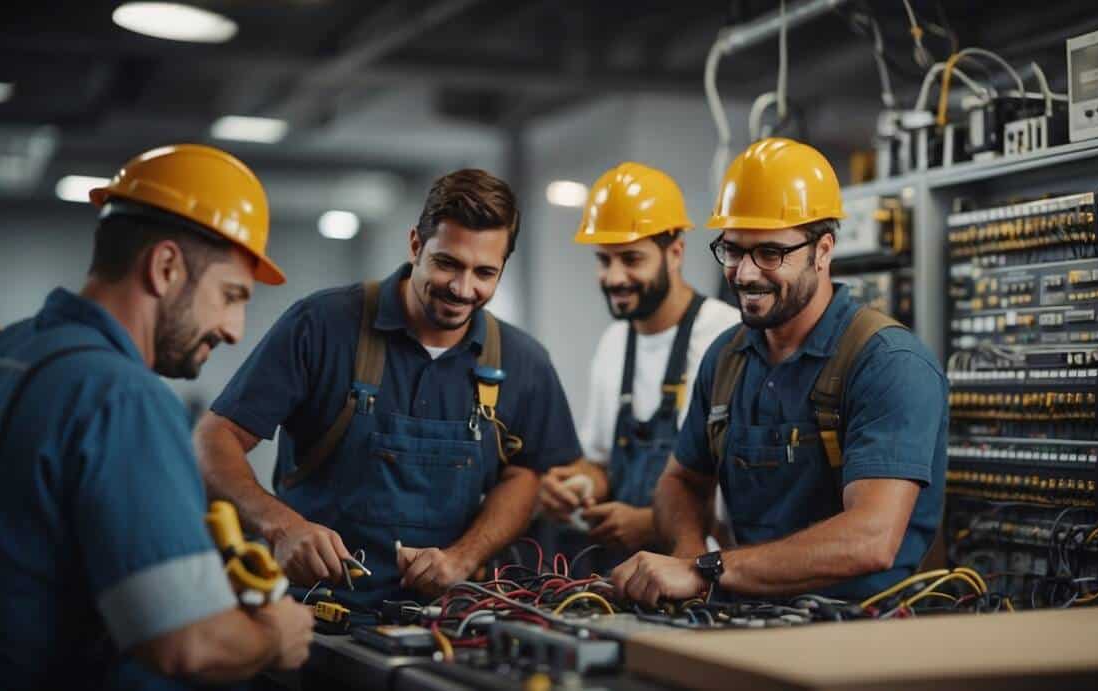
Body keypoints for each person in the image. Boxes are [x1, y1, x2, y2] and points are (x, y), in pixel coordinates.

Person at [0, 144, 314, 690]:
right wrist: (275, 636)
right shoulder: (122, 397)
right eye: (230, 295)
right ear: (166, 267)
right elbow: (187, 644)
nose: (234, 330)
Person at [195, 169, 582, 605]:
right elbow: (213, 438)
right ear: (416, 244)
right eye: (447, 263)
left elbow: (526, 473)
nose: (462, 288)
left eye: (484, 272)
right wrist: (281, 526)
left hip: (449, 622)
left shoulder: (522, 361)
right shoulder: (322, 326)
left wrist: (462, 557)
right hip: (314, 618)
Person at [610, 138, 948, 605]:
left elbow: (870, 539)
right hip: (747, 620)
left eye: (770, 253)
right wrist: (688, 554)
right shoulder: (726, 360)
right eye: (732, 250)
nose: (745, 273)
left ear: (823, 250)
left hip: (867, 637)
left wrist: (705, 570)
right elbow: (680, 480)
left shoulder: (888, 363)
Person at [537, 163, 739, 559]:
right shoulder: (614, 343)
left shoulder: (727, 337)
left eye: (631, 259)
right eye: (604, 260)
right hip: (625, 576)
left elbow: (740, 488)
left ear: (675, 252)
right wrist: (579, 487)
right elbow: (601, 466)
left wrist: (654, 522)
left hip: (703, 569)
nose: (614, 277)